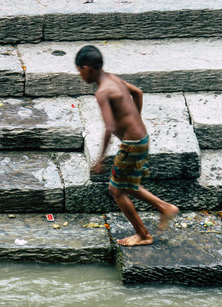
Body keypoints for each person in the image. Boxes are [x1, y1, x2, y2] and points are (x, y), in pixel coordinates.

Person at [75, 45, 179, 247]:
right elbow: (138, 93)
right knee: (128, 186)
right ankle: (165, 208)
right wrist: (136, 120)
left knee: (116, 190)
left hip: (131, 145)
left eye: (79, 71)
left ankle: (144, 234)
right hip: (141, 139)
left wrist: (100, 159)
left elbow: (109, 126)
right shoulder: (113, 79)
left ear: (87, 68)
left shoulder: (102, 92)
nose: (80, 75)